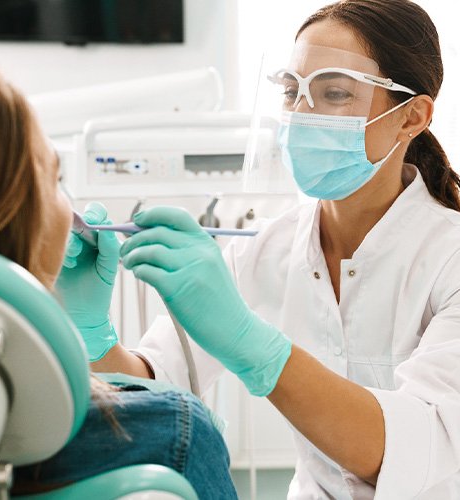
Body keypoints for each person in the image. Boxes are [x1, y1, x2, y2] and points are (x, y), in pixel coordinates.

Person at [72, 0, 460, 498]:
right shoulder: (263, 250)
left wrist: (255, 349)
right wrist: (91, 335)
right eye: (290, 91)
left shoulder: (448, 257)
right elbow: (152, 389)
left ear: (413, 118)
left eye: (335, 93)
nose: (301, 115)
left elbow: (412, 448)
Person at [0, 63, 238, 499]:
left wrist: (96, 340)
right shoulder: (171, 436)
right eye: (55, 178)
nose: (69, 210)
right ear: (18, 224)